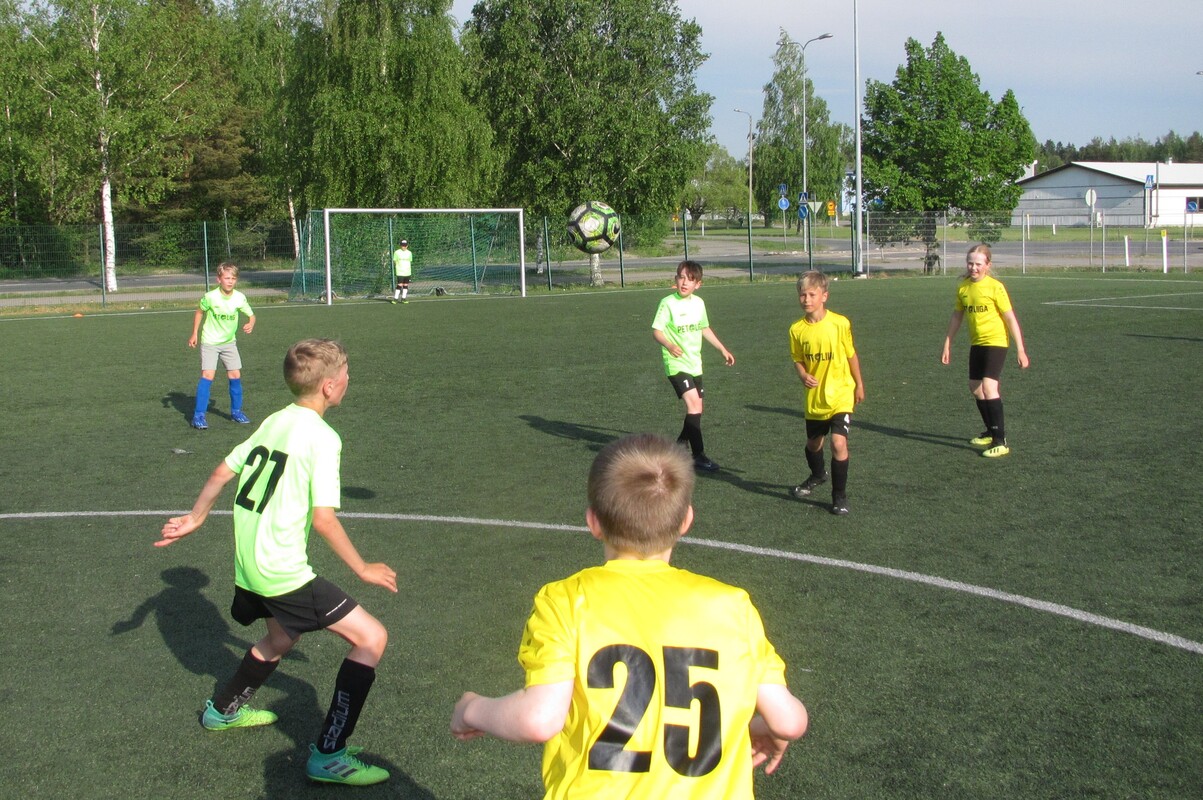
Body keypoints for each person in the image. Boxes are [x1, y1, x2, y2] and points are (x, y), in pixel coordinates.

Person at [451, 433, 808, 798]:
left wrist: (471, 709)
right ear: (686, 520)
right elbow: (790, 721)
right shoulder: (732, 606)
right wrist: (771, 729)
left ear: (593, 522)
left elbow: (539, 719)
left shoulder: (567, 600)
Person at [158, 338, 398, 787]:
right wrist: (363, 568)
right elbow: (323, 520)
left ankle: (222, 710)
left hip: (249, 566)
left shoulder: (276, 420)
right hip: (281, 572)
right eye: (345, 374)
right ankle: (330, 755)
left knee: (281, 637)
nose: (349, 380)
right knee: (371, 638)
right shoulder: (323, 438)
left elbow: (222, 471)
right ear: (329, 387)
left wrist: (196, 517)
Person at [940, 243, 1030, 458]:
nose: (973, 267)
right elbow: (957, 316)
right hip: (977, 343)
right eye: (970, 263)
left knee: (989, 387)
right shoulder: (963, 288)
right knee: (975, 387)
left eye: (978, 264)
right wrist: (947, 343)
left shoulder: (995, 287)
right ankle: (990, 432)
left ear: (988, 265)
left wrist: (1021, 349)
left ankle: (1001, 440)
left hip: (996, 342)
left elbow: (1010, 318)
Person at [788, 271, 865, 516]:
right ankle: (818, 474)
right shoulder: (797, 330)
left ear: (824, 296)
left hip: (841, 394)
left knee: (838, 442)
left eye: (812, 295)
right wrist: (802, 375)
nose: (807, 299)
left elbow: (851, 355)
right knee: (813, 445)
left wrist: (859, 384)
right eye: (803, 295)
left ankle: (839, 496)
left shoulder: (840, 323)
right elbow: (798, 359)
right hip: (816, 399)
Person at [651, 260, 735, 472]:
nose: (684, 282)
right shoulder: (667, 303)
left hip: (695, 363)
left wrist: (722, 349)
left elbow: (704, 328)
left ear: (698, 284)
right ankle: (698, 456)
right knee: (694, 406)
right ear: (675, 279)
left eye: (690, 279)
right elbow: (657, 331)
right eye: (681, 277)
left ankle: (680, 445)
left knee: (698, 409)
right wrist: (669, 345)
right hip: (676, 364)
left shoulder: (699, 303)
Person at [188, 262, 255, 429]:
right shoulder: (210, 297)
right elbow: (199, 312)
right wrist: (194, 333)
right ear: (219, 279)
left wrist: (250, 323)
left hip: (229, 343)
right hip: (210, 342)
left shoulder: (239, 297)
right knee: (208, 375)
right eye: (227, 278)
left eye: (233, 278)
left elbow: (251, 315)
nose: (230, 281)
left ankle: (236, 412)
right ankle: (198, 415)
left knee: (235, 375)